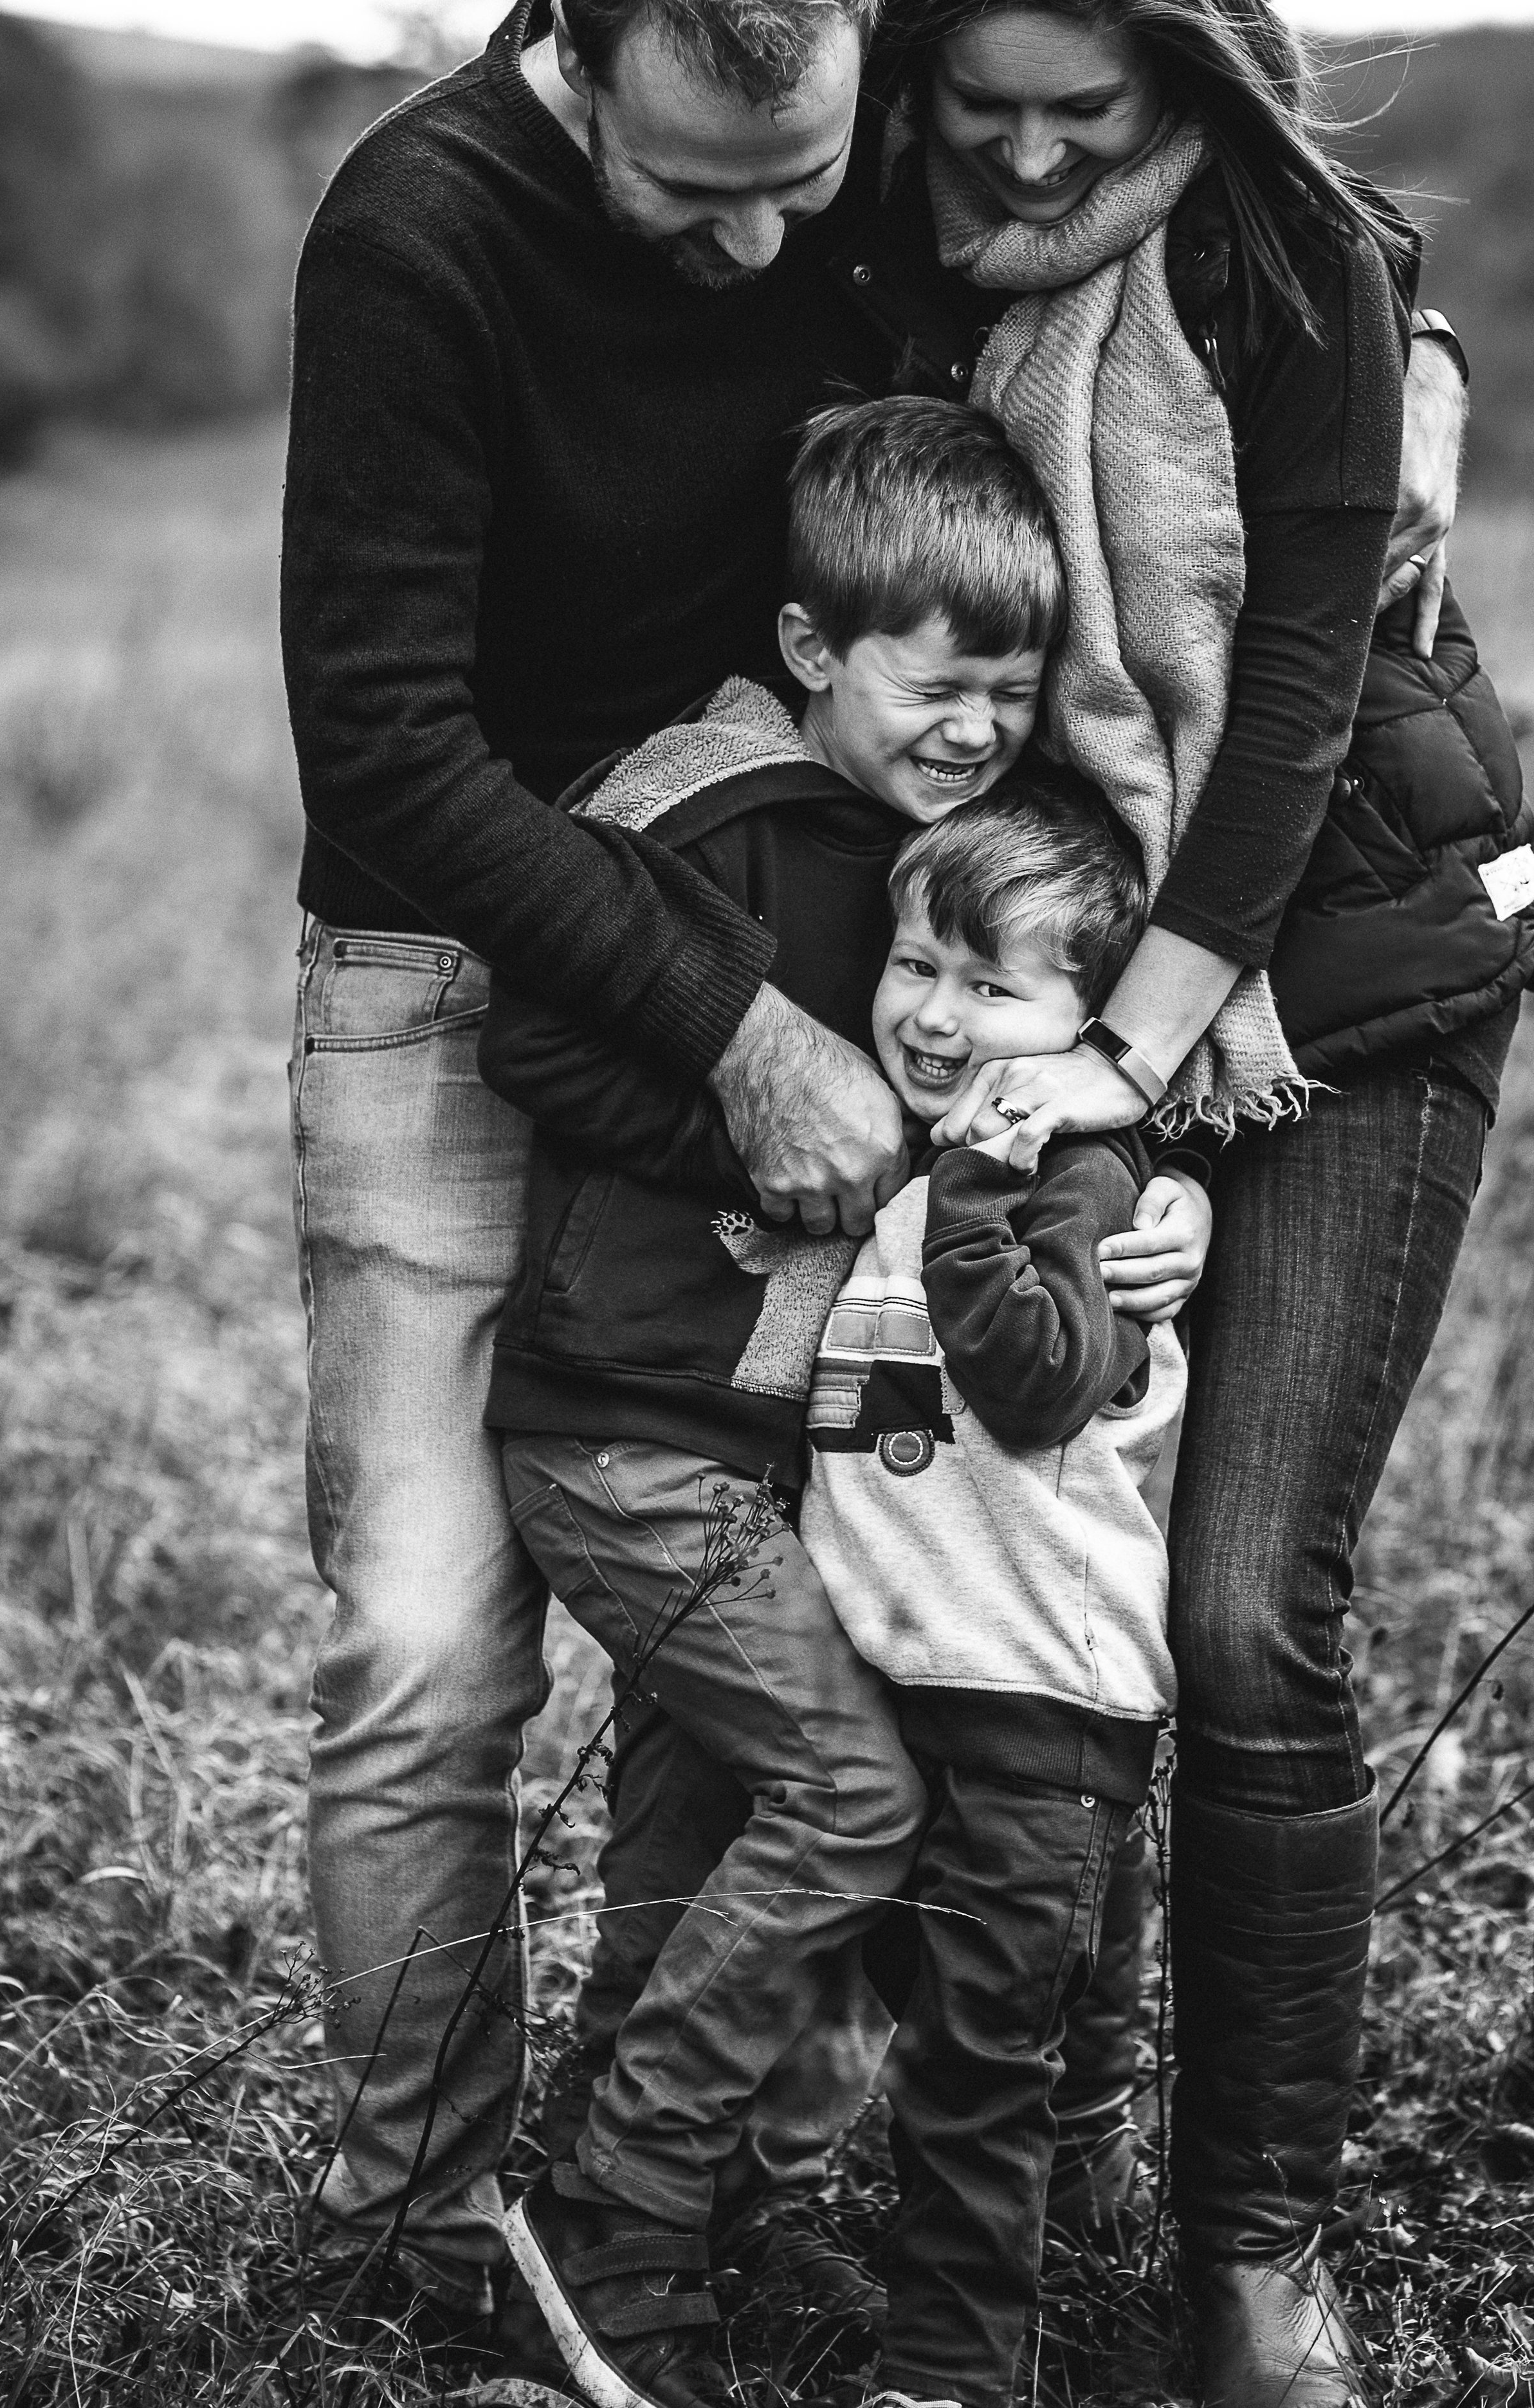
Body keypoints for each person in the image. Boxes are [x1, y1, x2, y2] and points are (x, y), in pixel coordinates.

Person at [278, 0, 1464, 2324]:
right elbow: (391, 744)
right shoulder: (420, 229)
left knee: (861, 1601)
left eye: (799, 183)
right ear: (575, 36)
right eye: (688, 185)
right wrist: (744, 1037)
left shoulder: (906, 129)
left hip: (832, 908)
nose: (756, 241)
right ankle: (434, 2242)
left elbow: (1208, 184)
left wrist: (1403, 347)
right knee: (435, 1653)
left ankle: (800, 2181)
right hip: (491, 947)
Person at [864, 5, 1529, 2402]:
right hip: (1074, 978)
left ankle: (1251, 2246)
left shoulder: (1298, 267)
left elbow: (1291, 713)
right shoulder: (885, 249)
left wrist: (1118, 1067)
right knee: (1067, 1561)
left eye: (1094, 116)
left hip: (1324, 971)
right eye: (984, 111)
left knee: (1247, 1605)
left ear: (1197, 91)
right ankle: (1052, 2112)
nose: (1032, 156)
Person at [478, 395, 1116, 2408]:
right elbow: (539, 1050)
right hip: (632, 1425)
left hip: (761, 1447)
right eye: (941, 681)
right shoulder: (708, 815)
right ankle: (615, 2207)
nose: (976, 724)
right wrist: (750, 1125)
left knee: (698, 1823)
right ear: (815, 643)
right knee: (851, 1791)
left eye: (1013, 689)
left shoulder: (936, 862)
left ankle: (652, 2217)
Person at [798, 785, 1183, 2408]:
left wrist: (978, 1186)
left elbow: (1032, 1383)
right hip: (927, 1677)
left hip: (1040, 1690)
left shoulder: (1070, 1179)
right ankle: (1098, 2145)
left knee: (967, 2071)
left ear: (1086, 1028)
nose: (935, 1014)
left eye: (989, 984)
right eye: (911, 965)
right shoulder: (900, 1160)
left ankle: (949, 2372)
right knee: (991, 1999)